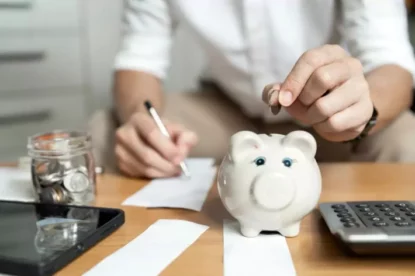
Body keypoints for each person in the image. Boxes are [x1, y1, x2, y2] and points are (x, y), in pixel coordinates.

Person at [89, 0, 415, 179]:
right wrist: (142, 122)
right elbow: (139, 58)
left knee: (407, 139)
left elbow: (391, 62)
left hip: (330, 121)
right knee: (107, 131)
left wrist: (363, 113)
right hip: (225, 111)